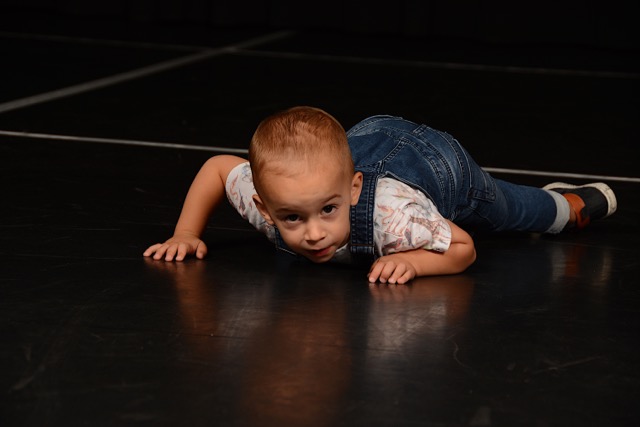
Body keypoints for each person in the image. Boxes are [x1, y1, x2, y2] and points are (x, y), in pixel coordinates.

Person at [144, 106, 617, 284]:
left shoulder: (393, 216)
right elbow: (217, 168)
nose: (313, 234)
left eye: (328, 210)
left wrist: (416, 261)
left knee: (508, 210)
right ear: (264, 207)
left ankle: (565, 206)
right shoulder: (262, 196)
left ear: (351, 191)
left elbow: (463, 247)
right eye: (291, 219)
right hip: (368, 139)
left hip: (437, 165)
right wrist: (186, 233)